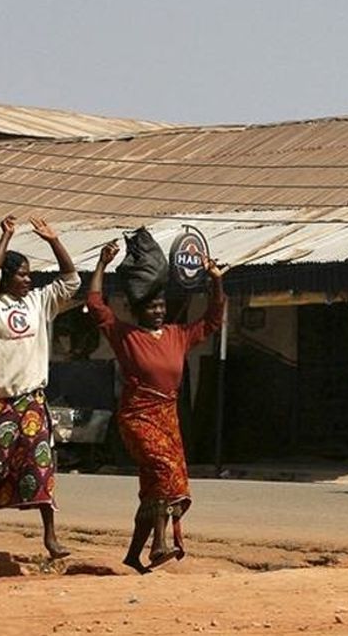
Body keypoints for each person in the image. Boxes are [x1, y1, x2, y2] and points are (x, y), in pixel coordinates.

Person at [87, 240, 225, 573]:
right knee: (165, 472)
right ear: (138, 311)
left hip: (167, 417)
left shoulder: (178, 335)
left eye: (162, 306)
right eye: (152, 308)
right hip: (137, 416)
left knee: (154, 486)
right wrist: (102, 265)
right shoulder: (125, 335)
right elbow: (95, 304)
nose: (159, 312)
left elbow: (213, 319)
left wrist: (216, 280)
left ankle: (134, 554)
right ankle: (160, 544)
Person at [0, 215, 78, 558]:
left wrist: (54, 241)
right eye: (22, 274)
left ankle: (49, 537)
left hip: (31, 400)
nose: (28, 280)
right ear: (7, 278)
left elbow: (71, 281)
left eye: (30, 275)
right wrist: (5, 236)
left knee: (40, 464)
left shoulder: (38, 302)